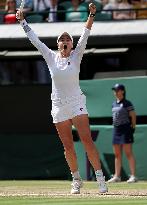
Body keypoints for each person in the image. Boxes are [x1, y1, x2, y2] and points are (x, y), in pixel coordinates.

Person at [16, 2, 108, 194]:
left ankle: (100, 179)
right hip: (58, 105)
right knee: (68, 147)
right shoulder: (50, 56)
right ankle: (76, 179)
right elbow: (35, 41)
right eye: (62, 39)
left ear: (71, 44)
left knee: (87, 141)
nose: (65, 40)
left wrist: (91, 14)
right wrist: (23, 22)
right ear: (58, 43)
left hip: (77, 103)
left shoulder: (77, 55)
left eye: (67, 39)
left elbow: (85, 34)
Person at [108, 84, 137, 183]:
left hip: (126, 130)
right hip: (116, 130)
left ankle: (133, 176)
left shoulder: (127, 103)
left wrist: (132, 127)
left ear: (122, 91)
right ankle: (117, 176)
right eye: (114, 90)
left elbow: (133, 116)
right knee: (117, 154)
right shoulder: (113, 103)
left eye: (117, 90)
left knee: (128, 153)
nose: (115, 92)